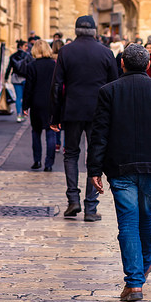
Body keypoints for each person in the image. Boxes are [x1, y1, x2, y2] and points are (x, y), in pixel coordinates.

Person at [87, 44, 151, 302]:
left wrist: (94, 169)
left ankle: (135, 281)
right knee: (146, 216)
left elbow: (99, 134)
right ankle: (143, 265)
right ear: (148, 66)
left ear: (122, 64)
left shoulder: (108, 92)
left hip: (120, 166)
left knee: (128, 223)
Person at [50, 15, 118, 222]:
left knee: (71, 153)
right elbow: (114, 86)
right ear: (95, 31)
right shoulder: (106, 53)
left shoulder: (66, 51)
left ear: (77, 30)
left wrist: (55, 115)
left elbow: (56, 86)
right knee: (95, 156)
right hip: (98, 112)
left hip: (72, 110)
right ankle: (90, 206)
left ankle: (73, 199)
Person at [23, 40, 57, 171]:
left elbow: (29, 87)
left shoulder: (32, 66)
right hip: (50, 102)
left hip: (36, 103)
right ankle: (49, 164)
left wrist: (25, 106)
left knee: (36, 132)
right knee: (51, 133)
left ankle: (37, 160)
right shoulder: (54, 65)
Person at [4, 39, 32, 122]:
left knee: (18, 97)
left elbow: (9, 68)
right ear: (21, 46)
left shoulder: (13, 56)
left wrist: (6, 78)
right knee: (24, 97)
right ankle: (23, 114)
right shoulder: (28, 56)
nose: (27, 48)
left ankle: (18, 115)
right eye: (25, 46)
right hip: (25, 78)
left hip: (15, 78)